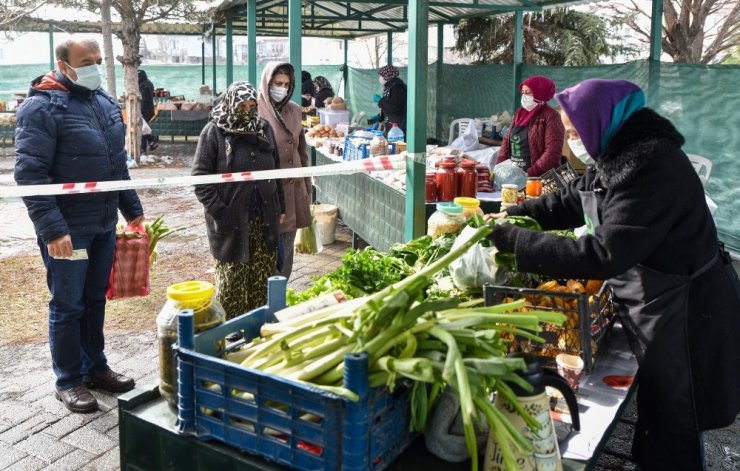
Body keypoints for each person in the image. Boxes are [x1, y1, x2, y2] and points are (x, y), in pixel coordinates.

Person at [487, 78, 740, 469]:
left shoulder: (652, 168)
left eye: (574, 132)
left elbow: (604, 253)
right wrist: (519, 214)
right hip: (657, 301)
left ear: (600, 123)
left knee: (677, 418)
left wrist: (516, 242)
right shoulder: (618, 154)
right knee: (659, 412)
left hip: (687, 311)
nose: (573, 142)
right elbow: (574, 198)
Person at [14, 38, 144, 413]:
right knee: (68, 305)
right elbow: (31, 175)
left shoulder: (102, 101)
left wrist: (131, 209)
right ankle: (68, 380)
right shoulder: (41, 108)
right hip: (69, 231)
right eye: (86, 61)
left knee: (93, 300)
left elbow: (117, 164)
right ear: (63, 63)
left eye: (99, 61)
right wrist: (53, 231)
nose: (95, 68)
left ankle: (95, 368)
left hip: (102, 224)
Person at [192, 82, 285, 319]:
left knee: (262, 278)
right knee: (233, 280)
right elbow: (200, 178)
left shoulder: (263, 128)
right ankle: (230, 333)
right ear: (231, 104)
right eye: (242, 105)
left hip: (264, 218)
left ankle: (260, 327)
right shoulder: (214, 132)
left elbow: (276, 171)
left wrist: (280, 207)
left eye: (252, 105)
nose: (247, 110)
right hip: (231, 222)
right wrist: (220, 211)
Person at [257, 61, 312, 280]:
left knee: (287, 251)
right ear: (267, 83)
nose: (282, 88)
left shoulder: (295, 110)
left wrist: (307, 186)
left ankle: (280, 295)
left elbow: (302, 150)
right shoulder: (256, 109)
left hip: (294, 189)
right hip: (266, 193)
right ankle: (264, 297)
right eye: (277, 83)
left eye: (286, 85)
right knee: (267, 250)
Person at [495, 76, 564, 177]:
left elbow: (552, 152)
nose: (524, 96)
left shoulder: (551, 116)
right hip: (515, 176)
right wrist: (499, 168)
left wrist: (529, 173)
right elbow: (506, 143)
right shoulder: (519, 114)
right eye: (523, 93)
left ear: (540, 93)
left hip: (539, 178)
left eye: (528, 92)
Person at [374, 65, 406, 134]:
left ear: (387, 75)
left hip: (397, 126)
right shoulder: (389, 86)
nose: (380, 78)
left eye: (381, 75)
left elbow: (394, 106)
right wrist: (375, 119)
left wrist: (380, 100)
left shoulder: (397, 86)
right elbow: (387, 107)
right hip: (390, 124)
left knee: (395, 143)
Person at [138, 69, 158, 153]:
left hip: (145, 109)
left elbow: (144, 99)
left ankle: (144, 147)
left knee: (142, 127)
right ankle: (151, 142)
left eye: (138, 77)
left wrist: (140, 110)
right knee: (145, 127)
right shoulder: (149, 83)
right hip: (150, 108)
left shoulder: (143, 86)